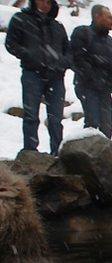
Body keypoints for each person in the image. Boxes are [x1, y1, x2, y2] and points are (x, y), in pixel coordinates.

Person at [5, 0, 71, 156]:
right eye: (41, 0)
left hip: (55, 76)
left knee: (55, 118)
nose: (45, 4)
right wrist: (28, 55)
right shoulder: (21, 19)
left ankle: (57, 152)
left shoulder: (57, 26)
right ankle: (30, 151)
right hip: (32, 73)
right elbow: (10, 43)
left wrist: (63, 63)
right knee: (31, 115)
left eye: (48, 1)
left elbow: (68, 51)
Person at [70, 4, 112, 139]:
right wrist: (93, 77)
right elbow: (78, 59)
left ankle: (103, 157)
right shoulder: (82, 33)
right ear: (97, 17)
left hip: (104, 89)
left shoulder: (110, 42)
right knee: (92, 123)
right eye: (108, 17)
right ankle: (88, 156)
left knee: (107, 125)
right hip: (87, 86)